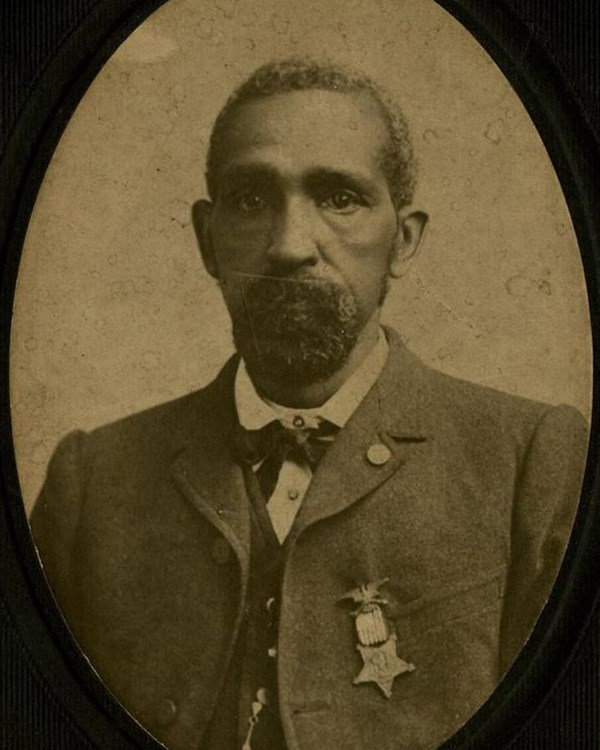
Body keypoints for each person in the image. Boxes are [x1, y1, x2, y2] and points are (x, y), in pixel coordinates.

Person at [30, 59, 588, 750]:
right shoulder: (91, 482)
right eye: (249, 200)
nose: (291, 246)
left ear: (404, 241)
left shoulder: (531, 464)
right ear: (207, 240)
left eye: (339, 198)